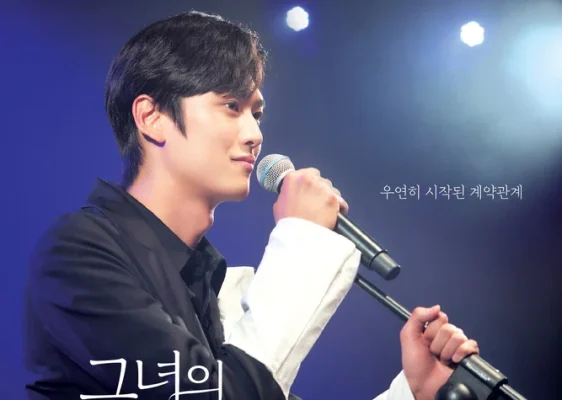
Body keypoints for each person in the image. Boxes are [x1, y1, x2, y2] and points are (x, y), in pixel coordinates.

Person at [22, 11, 479, 400]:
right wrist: (302, 240)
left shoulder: (211, 286)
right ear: (151, 117)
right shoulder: (77, 253)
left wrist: (411, 392)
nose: (255, 134)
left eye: (256, 113)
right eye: (230, 106)